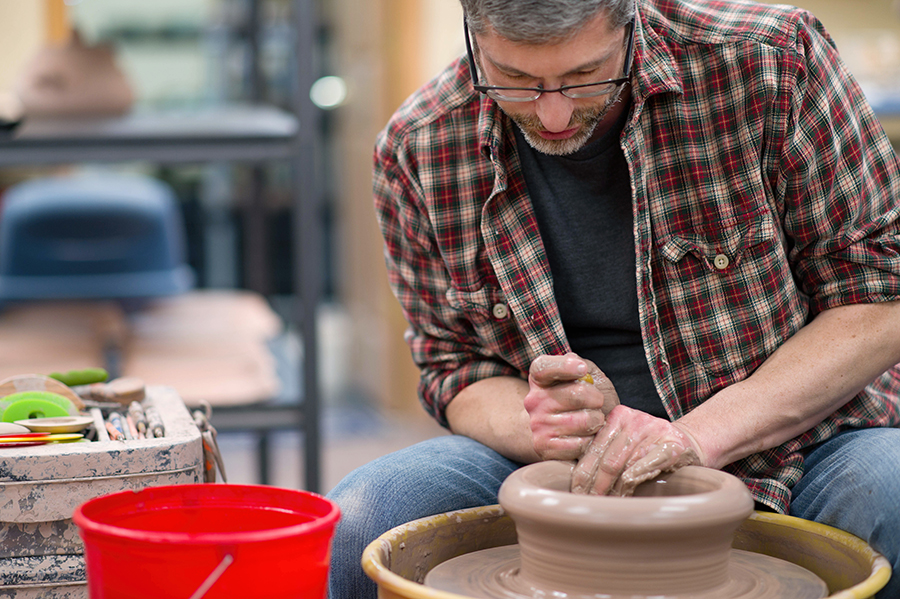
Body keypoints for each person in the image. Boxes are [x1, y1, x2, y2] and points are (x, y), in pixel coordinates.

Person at [327, 0, 900, 597]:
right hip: (559, 469)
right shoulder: (419, 145)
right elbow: (451, 367)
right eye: (515, 80)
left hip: (799, 445)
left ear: (632, 18)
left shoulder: (771, 63)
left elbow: (882, 300)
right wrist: (536, 423)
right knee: (363, 520)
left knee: (893, 493)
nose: (552, 114)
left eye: (584, 76)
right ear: (473, 35)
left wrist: (698, 437)